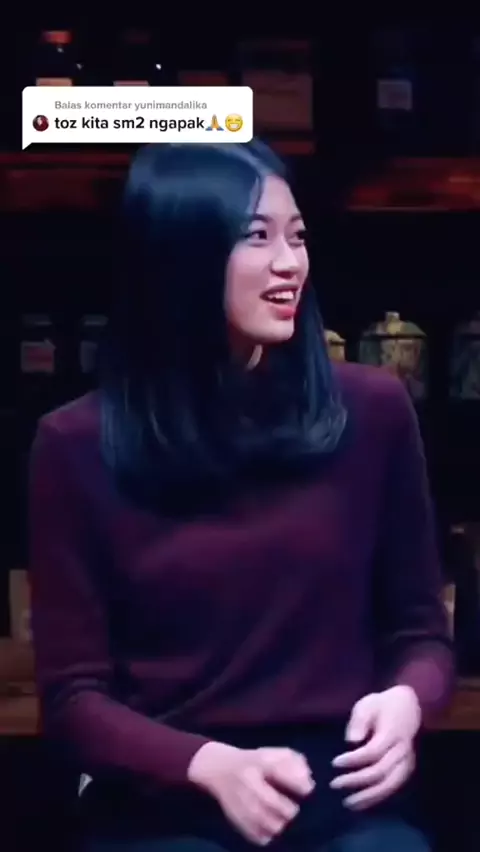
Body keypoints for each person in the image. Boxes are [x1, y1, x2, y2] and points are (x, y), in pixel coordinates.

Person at [29, 140, 454, 852]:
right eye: (257, 237)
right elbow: (73, 700)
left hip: (340, 792)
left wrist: (409, 700)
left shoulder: (373, 412)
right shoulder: (75, 444)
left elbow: (420, 632)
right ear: (179, 255)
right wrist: (208, 766)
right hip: (166, 799)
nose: (290, 263)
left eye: (298, 236)